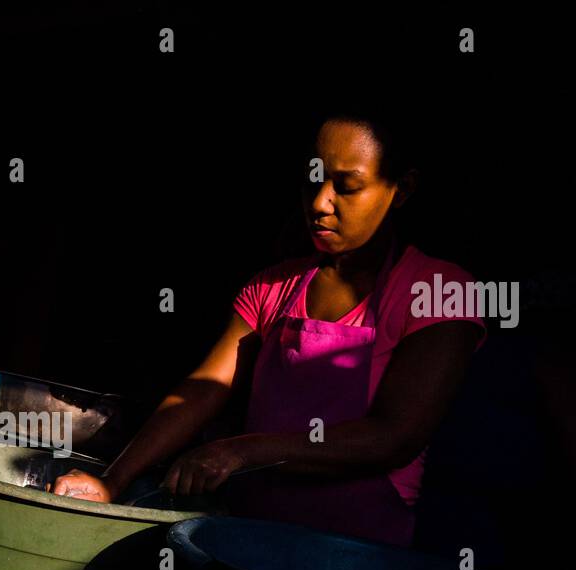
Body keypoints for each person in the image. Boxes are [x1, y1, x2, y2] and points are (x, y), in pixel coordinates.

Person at [52, 105, 487, 547]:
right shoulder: (273, 286)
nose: (320, 202)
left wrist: (242, 450)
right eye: (313, 179)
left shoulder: (440, 292)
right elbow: (203, 389)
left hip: (360, 564)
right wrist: (113, 480)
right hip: (249, 543)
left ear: (402, 189)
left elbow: (395, 436)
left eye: (347, 186)